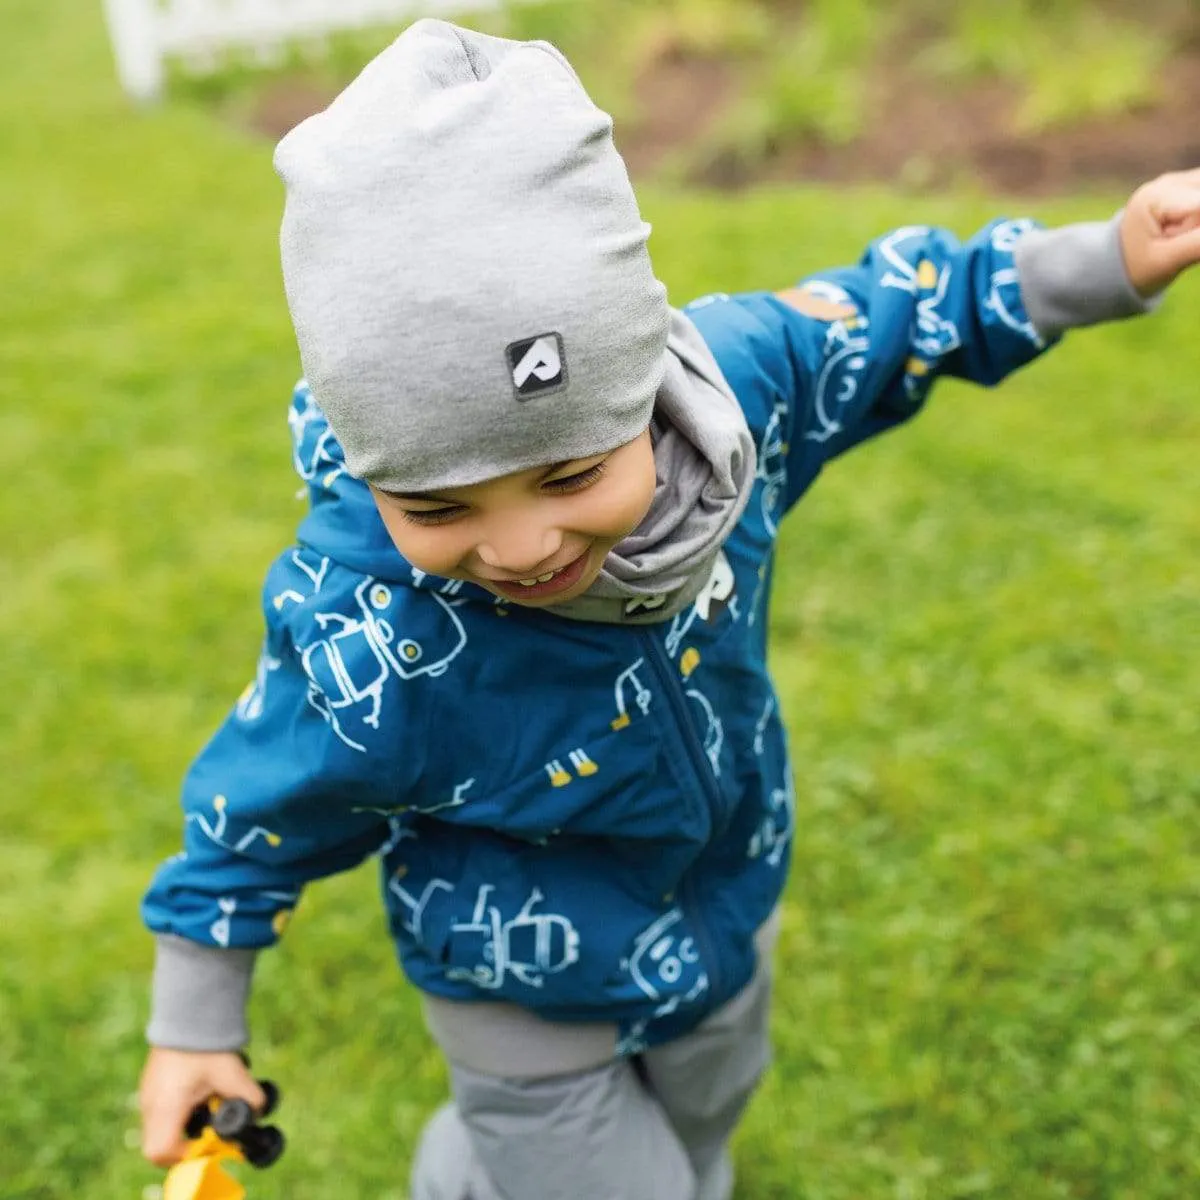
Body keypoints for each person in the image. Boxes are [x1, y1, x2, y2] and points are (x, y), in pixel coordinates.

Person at [136, 19, 1200, 1200]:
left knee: (701, 1145)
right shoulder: (370, 632)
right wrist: (193, 1020)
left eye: (569, 475)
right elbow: (258, 804)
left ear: (642, 385)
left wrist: (1096, 259)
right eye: (437, 504)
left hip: (724, 904)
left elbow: (892, 315)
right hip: (516, 985)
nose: (523, 544)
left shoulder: (731, 396)